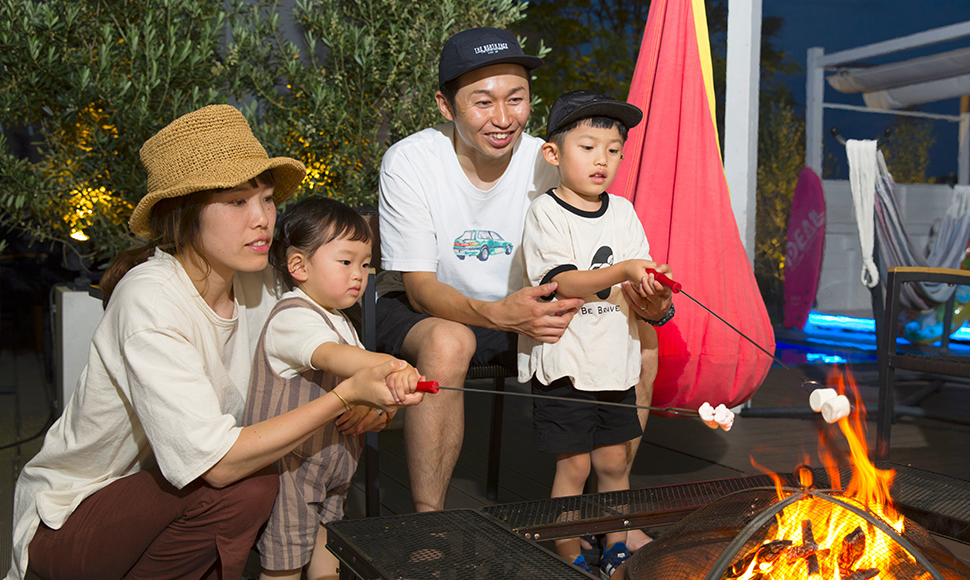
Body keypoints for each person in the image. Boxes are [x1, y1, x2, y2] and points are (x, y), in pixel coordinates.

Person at [3, 104, 419, 580]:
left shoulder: (260, 287)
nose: (262, 218)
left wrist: (374, 403)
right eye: (237, 202)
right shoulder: (151, 299)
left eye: (266, 199)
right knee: (246, 485)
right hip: (71, 521)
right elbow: (216, 466)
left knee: (253, 481)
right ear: (185, 216)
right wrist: (344, 396)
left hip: (167, 499)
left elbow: (324, 354)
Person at [377, 27, 666, 553]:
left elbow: (598, 241)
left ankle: (611, 510)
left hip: (532, 311)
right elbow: (419, 288)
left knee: (641, 337)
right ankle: (429, 523)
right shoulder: (411, 162)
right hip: (432, 309)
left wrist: (649, 300)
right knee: (450, 342)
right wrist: (497, 314)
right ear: (446, 104)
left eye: (516, 99)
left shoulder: (551, 156)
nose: (503, 117)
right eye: (482, 102)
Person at [516, 90, 674, 578]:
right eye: (587, 147)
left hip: (613, 362)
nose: (602, 159)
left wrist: (651, 283)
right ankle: (567, 550)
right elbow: (563, 281)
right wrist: (624, 268)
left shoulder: (623, 211)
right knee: (575, 468)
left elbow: (637, 281)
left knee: (614, 462)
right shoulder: (546, 213)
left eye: (613, 149)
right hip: (566, 363)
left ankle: (616, 543)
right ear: (553, 154)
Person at [246, 197, 424, 580]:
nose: (359, 275)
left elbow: (366, 392)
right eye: (345, 262)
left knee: (329, 550)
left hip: (333, 469)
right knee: (285, 565)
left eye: (365, 264)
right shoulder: (293, 316)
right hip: (289, 473)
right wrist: (397, 367)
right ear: (299, 266)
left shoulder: (342, 321)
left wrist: (379, 409)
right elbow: (334, 358)